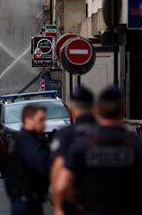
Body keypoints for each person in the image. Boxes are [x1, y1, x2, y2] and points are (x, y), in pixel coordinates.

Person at [54, 86, 142, 215]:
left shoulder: (82, 145)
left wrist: (78, 206)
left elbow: (62, 185)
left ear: (97, 110)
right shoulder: (139, 144)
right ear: (124, 109)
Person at [50, 86, 96, 214]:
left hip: (74, 201)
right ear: (94, 107)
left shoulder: (65, 135)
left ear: (71, 109)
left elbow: (58, 169)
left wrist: (58, 206)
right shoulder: (106, 134)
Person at [5, 105, 50, 215]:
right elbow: (41, 164)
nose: (45, 123)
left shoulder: (26, 139)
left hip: (26, 199)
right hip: (27, 201)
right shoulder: (27, 142)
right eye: (41, 120)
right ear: (28, 120)